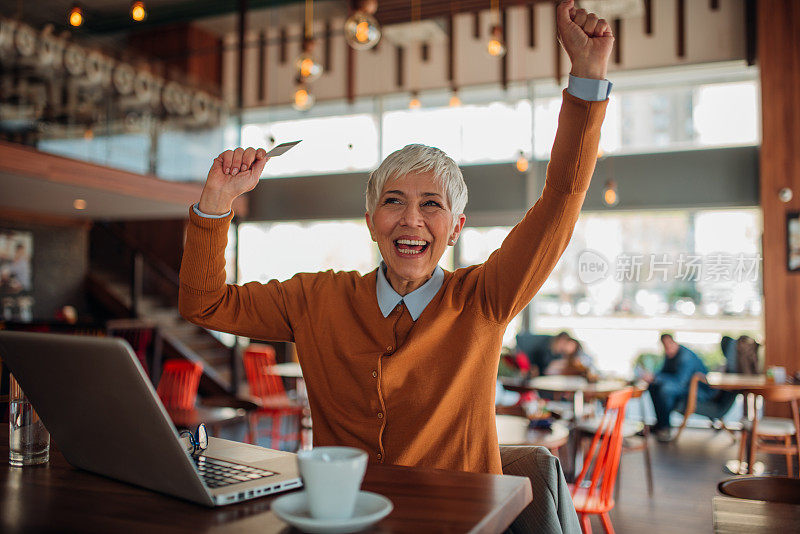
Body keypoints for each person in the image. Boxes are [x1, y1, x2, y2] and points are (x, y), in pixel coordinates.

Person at [179, 0, 611, 481]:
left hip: (460, 521)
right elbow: (205, 305)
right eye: (393, 201)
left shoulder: (484, 300)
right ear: (370, 220)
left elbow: (561, 199)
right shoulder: (316, 300)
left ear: (456, 228)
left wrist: (587, 81)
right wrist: (216, 201)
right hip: (346, 517)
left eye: (431, 204)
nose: (411, 220)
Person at [645, 333, 713, 441]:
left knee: (665, 390)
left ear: (673, 342)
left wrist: (657, 377)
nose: (667, 349)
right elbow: (663, 373)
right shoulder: (671, 354)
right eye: (664, 346)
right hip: (686, 388)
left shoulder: (686, 356)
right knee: (653, 386)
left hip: (699, 391)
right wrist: (653, 377)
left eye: (668, 345)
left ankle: (665, 428)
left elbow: (680, 382)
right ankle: (661, 425)